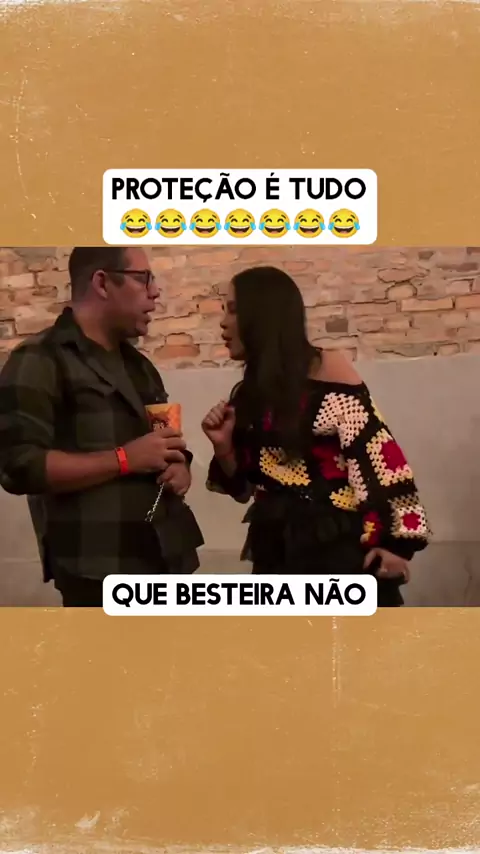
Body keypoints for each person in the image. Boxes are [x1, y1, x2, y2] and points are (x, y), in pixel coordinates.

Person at [201, 266, 430, 607]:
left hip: (336, 548)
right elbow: (244, 487)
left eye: (233, 310)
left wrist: (396, 545)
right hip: (275, 551)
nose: (222, 323)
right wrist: (223, 447)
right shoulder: (250, 393)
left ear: (262, 315)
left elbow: (377, 455)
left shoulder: (328, 370)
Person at [0, 246, 203, 607]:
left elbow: (160, 444)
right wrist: (124, 459)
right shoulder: (40, 359)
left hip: (169, 560)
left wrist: (180, 465)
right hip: (97, 574)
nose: (155, 291)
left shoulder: (140, 366)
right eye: (143, 279)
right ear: (102, 283)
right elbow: (19, 466)